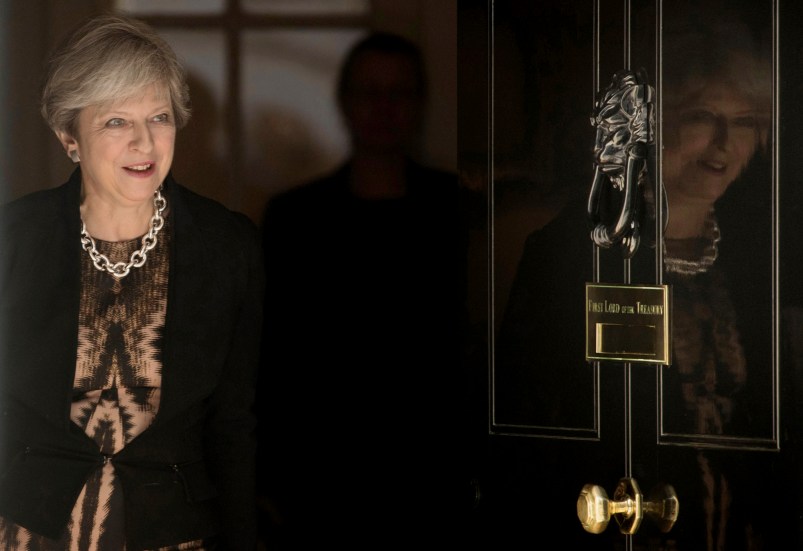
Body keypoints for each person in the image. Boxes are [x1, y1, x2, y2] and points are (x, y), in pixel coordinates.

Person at [494, 5, 777, 548]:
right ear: (655, 123)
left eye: (744, 122)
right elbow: (528, 438)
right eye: (701, 116)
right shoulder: (569, 252)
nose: (724, 143)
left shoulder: (759, 262)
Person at [0, 14, 264, 550]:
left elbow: (236, 425)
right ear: (69, 136)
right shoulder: (13, 239)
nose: (144, 141)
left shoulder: (227, 245)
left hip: (174, 535)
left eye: (159, 116)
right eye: (116, 121)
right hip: (29, 534)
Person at [256, 32, 475, 546]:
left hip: (433, 472)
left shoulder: (456, 210)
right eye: (369, 92)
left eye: (397, 93)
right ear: (345, 101)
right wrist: (265, 478)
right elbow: (273, 354)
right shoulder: (296, 219)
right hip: (322, 478)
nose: (383, 108)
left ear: (419, 104)